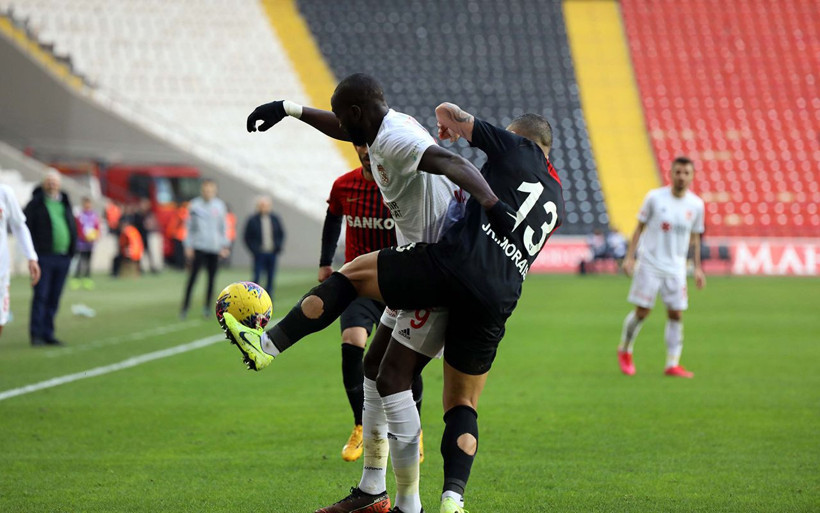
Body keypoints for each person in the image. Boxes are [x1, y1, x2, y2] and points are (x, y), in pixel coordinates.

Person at [225, 99, 559, 513]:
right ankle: (441, 498)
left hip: (449, 265)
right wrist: (290, 109)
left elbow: (450, 126)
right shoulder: (556, 198)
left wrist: (459, 140)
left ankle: (407, 504)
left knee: (381, 345)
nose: (359, 148)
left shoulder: (465, 144)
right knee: (432, 391)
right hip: (500, 295)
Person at [320, 143, 424, 463]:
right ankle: (360, 425)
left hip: (397, 283)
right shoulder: (344, 185)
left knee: (404, 354)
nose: (366, 151)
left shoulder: (400, 185)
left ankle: (413, 432)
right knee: (352, 341)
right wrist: (326, 261)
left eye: (370, 145)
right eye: (360, 146)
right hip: (359, 283)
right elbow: (333, 216)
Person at [617, 156, 706, 378]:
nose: (682, 177)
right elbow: (639, 228)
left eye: (686, 173)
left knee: (676, 314)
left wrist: (697, 268)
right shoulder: (655, 198)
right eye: (678, 172)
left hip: (677, 268)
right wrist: (630, 257)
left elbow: (695, 237)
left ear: (692, 176)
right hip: (650, 264)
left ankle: (672, 364)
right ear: (671, 173)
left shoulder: (696, 205)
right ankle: (625, 349)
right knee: (642, 312)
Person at [24, 171, 77, 346]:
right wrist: (32, 254)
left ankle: (48, 332)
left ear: (60, 184)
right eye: (49, 181)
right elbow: (26, 229)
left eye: (55, 181)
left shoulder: (65, 202)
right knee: (41, 295)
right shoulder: (36, 204)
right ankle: (36, 334)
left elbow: (70, 225)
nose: (52, 184)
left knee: (54, 297)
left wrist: (71, 249)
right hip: (44, 257)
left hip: (62, 257)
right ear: (43, 183)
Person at [180, 179, 229, 319]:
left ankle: (207, 308)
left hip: (214, 248)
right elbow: (189, 227)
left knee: (211, 279)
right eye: (206, 190)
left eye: (211, 190)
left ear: (215, 191)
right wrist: (188, 245)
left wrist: (224, 245)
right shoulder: (195, 205)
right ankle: (185, 307)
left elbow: (223, 227)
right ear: (202, 190)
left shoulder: (219, 206)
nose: (208, 192)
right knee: (192, 277)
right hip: (199, 246)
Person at [0, 184, 40, 338]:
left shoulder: (4, 193)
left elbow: (19, 225)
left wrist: (31, 257)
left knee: (1, 319)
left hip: (1, 271)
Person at [243, 196, 285, 295]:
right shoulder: (252, 220)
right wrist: (254, 250)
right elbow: (247, 237)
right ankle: (253, 299)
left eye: (266, 205)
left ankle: (269, 301)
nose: (264, 208)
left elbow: (281, 234)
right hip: (259, 253)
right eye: (262, 205)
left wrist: (277, 247)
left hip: (272, 253)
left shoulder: (275, 219)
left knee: (270, 278)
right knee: (256, 278)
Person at [71, 197, 101, 289]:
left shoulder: (94, 215)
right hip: (81, 242)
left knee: (88, 261)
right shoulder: (80, 215)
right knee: (80, 261)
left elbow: (97, 227)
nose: (87, 205)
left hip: (90, 243)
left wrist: (96, 236)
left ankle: (87, 278)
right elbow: (78, 228)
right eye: (86, 204)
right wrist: (84, 237)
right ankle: (76, 278)